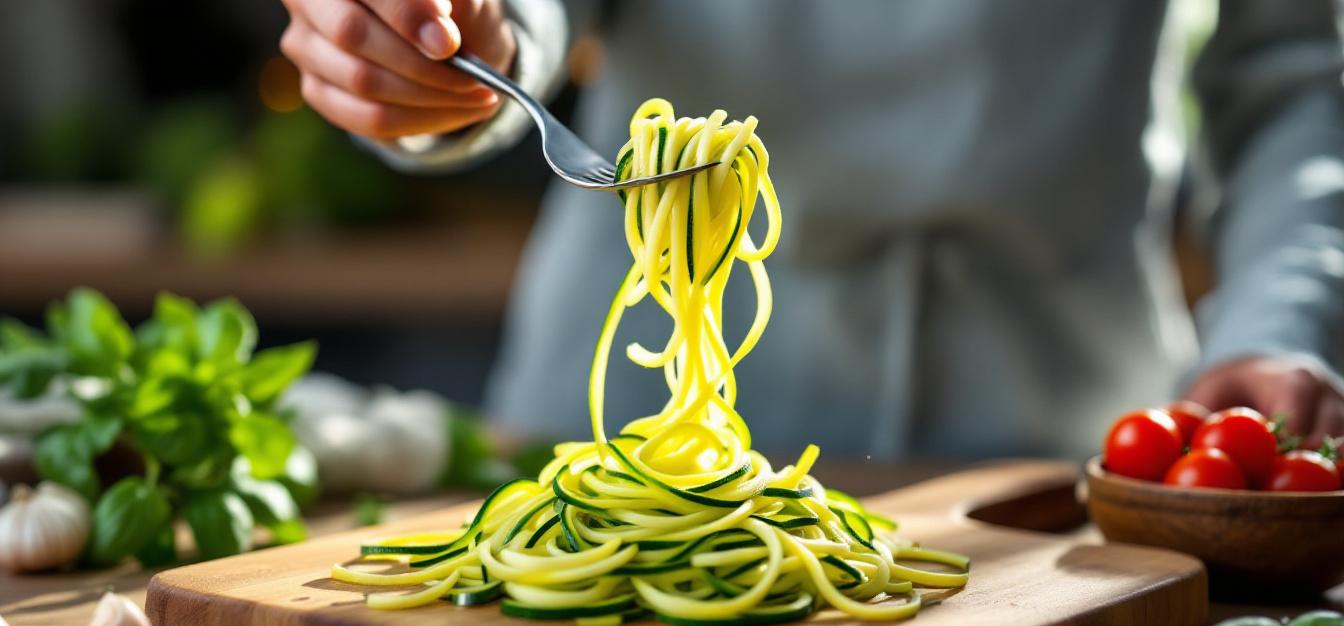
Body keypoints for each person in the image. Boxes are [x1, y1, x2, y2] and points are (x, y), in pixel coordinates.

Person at [277, 0, 1344, 459]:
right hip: (617, 429)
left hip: (1058, 429)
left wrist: (1277, 319)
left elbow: (1293, 74)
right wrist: (451, 43)